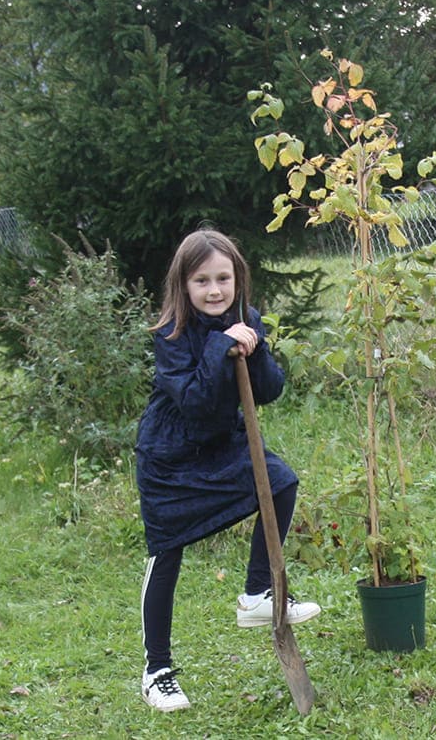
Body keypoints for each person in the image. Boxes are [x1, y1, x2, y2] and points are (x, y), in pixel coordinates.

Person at [135, 228, 320, 711]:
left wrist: (253, 349)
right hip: (169, 458)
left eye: (224, 278)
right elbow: (195, 401)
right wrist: (221, 347)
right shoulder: (171, 335)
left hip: (221, 446)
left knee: (281, 482)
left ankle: (258, 592)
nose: (214, 290)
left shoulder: (247, 320)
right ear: (184, 285)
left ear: (238, 279)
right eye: (202, 280)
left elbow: (269, 390)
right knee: (166, 555)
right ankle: (157, 671)